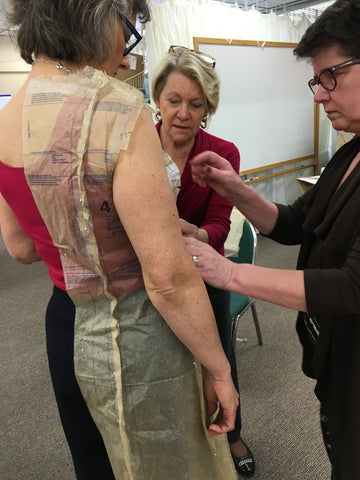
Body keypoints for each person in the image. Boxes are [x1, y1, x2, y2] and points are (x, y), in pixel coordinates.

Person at [0, 2, 239, 480]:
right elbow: (168, 278)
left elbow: (20, 248)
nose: (125, 52)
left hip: (64, 320)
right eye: (127, 29)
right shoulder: (114, 109)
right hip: (136, 329)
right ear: (98, 15)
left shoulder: (9, 119)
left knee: (94, 461)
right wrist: (220, 370)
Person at [184, 1, 360, 478]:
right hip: (337, 362)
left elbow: (350, 286)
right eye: (316, 80)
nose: (320, 95)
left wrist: (228, 271)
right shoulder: (350, 156)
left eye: (331, 77)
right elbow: (294, 224)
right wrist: (234, 189)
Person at [151, 45, 255, 477]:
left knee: (219, 359)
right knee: (159, 364)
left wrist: (187, 231)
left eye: (195, 104)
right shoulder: (134, 149)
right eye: (174, 100)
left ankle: (231, 434)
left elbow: (217, 227)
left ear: (207, 108)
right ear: (157, 98)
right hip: (151, 273)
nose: (183, 113)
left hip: (202, 270)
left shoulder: (221, 153)